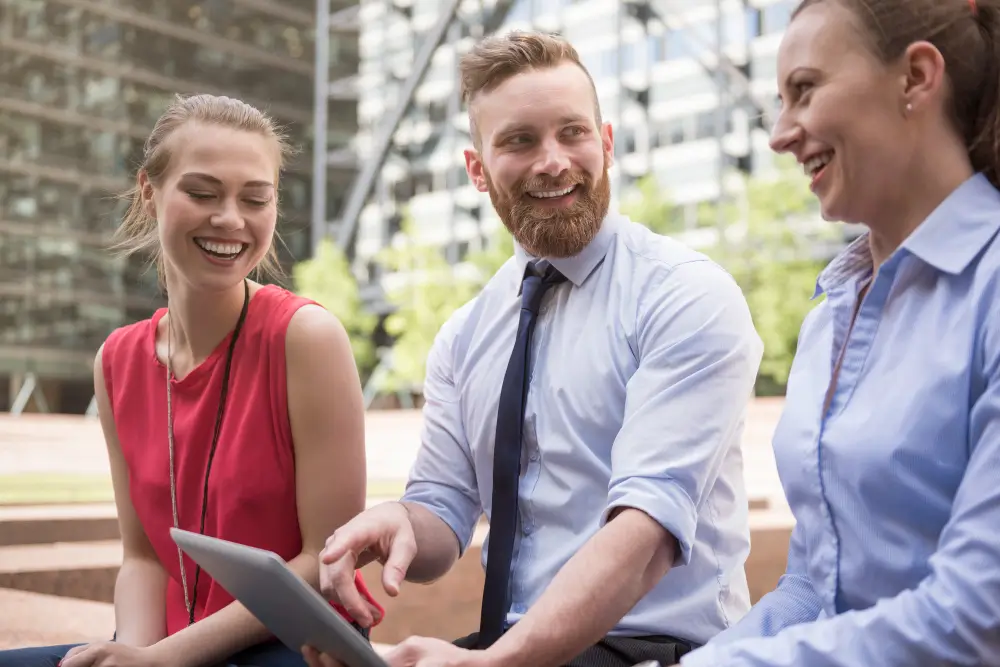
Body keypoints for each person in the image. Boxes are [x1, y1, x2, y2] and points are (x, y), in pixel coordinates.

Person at [303, 31, 763, 667]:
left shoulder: (685, 295)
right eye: (520, 140)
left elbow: (646, 535)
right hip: (513, 646)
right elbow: (443, 506)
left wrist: (492, 665)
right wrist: (401, 524)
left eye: (572, 133)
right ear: (477, 169)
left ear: (605, 143)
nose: (553, 161)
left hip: (654, 648)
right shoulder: (465, 333)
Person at [0, 94, 382, 667]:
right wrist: (129, 651)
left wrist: (165, 659)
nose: (230, 219)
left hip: (294, 646)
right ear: (148, 193)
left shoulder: (307, 338)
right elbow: (143, 558)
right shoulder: (115, 361)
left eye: (256, 199)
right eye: (202, 193)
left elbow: (323, 559)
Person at [680, 1, 1000, 665]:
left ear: (915, 76)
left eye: (804, 90)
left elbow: (977, 614)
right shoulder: (832, 308)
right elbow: (815, 586)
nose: (779, 133)